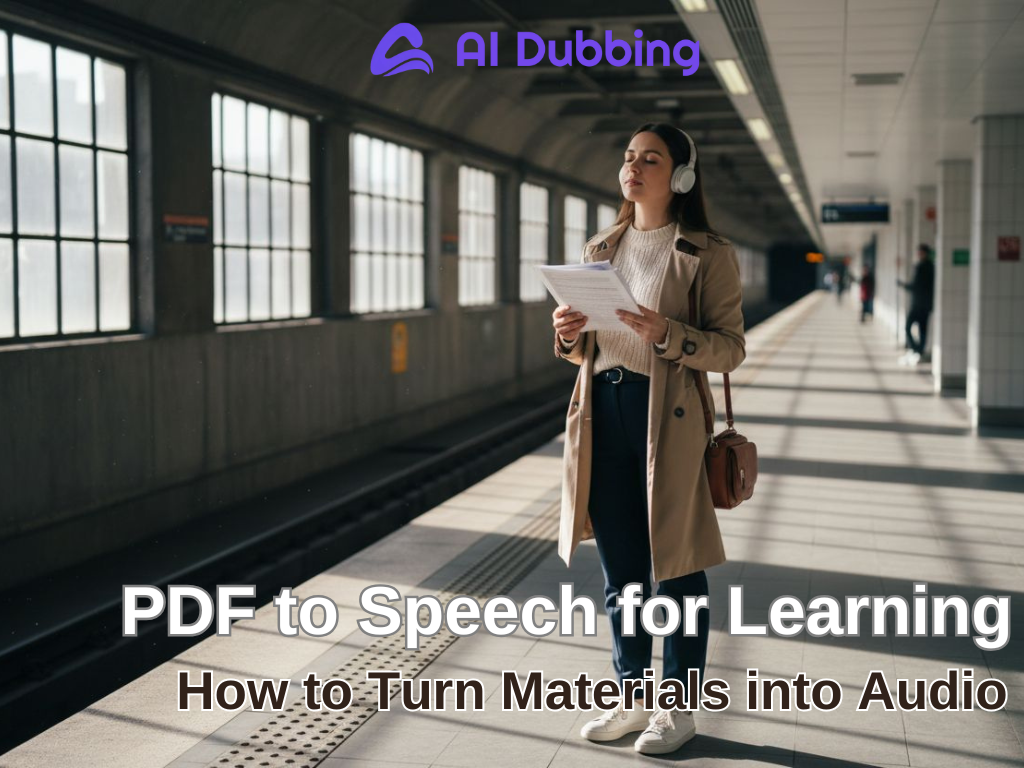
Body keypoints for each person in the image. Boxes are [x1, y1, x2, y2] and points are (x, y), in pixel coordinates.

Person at [550, 123, 745, 755]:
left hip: (669, 420)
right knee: (622, 570)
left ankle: (679, 709)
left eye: (651, 159)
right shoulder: (601, 245)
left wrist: (668, 333)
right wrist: (566, 331)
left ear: (681, 177)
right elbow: (585, 347)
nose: (633, 168)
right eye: (629, 158)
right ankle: (633, 695)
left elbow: (729, 349)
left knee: (677, 567)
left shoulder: (708, 253)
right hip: (601, 411)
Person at [899, 244, 935, 365]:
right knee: (922, 329)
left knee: (909, 327)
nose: (919, 254)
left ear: (925, 253)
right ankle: (918, 351)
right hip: (924, 304)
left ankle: (916, 350)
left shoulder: (922, 267)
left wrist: (903, 285)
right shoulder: (930, 266)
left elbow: (915, 286)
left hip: (919, 304)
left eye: (920, 252)